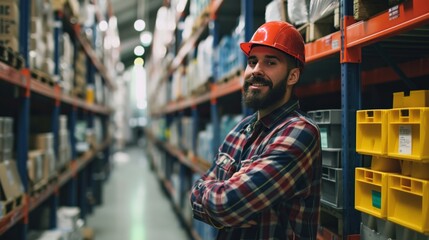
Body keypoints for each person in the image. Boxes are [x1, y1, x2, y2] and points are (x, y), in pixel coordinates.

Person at [190, 21, 322, 240]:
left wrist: (220, 201)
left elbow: (225, 204)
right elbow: (197, 190)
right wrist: (214, 196)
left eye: (270, 63)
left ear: (293, 76)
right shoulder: (241, 128)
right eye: (252, 62)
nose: (256, 70)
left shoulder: (300, 132)